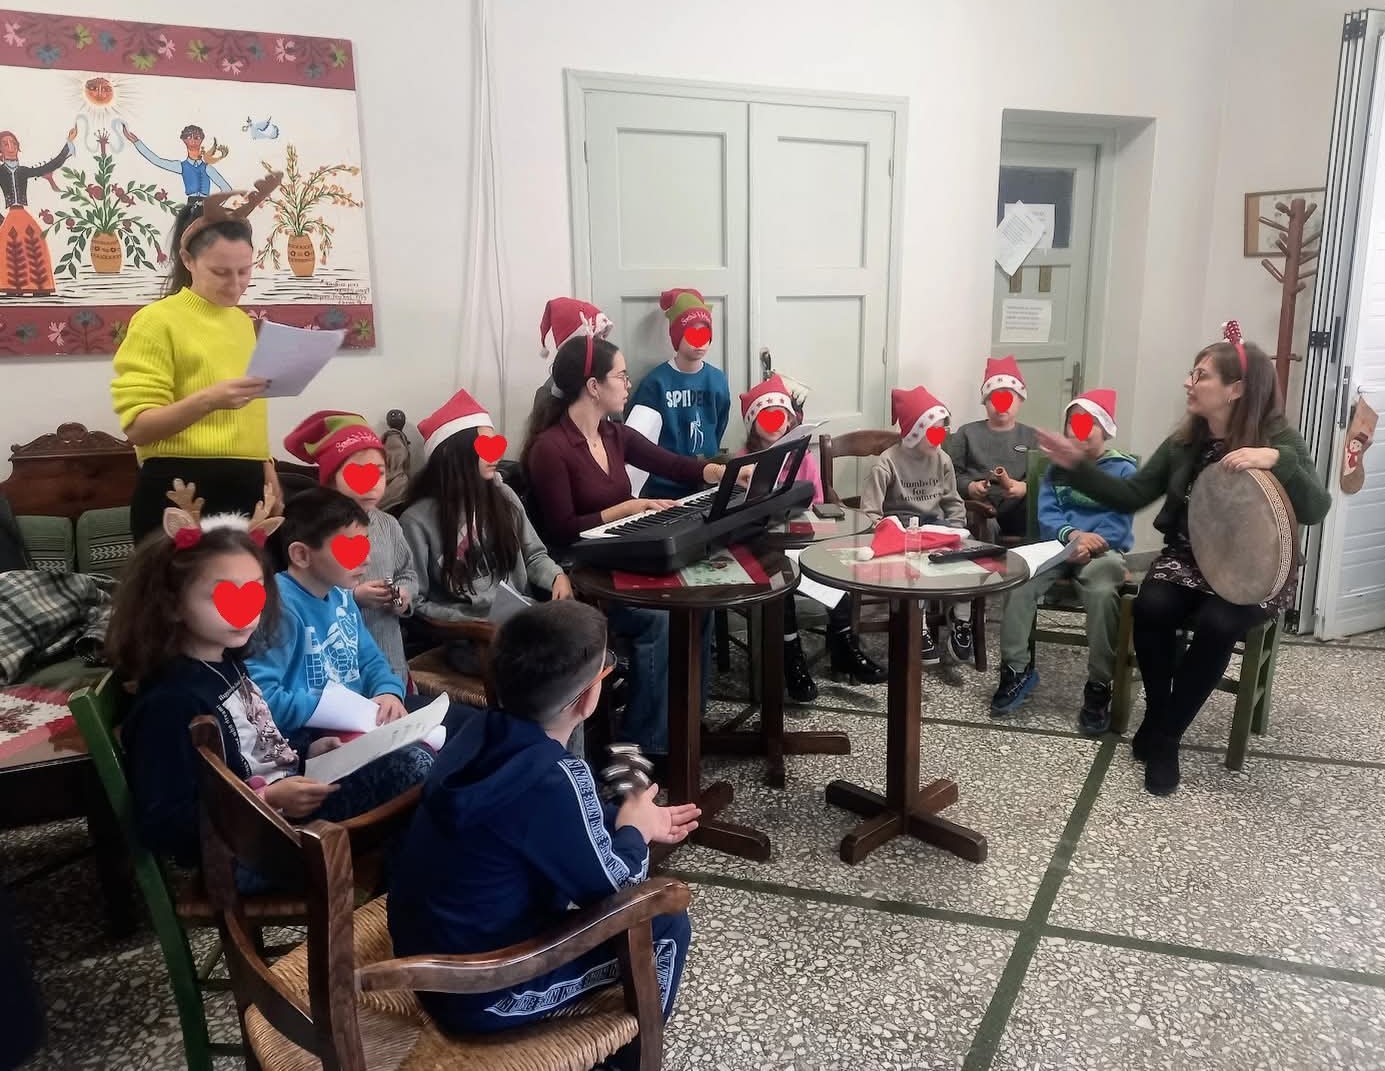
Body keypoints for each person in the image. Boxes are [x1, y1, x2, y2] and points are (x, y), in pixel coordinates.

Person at [388, 600, 695, 1055]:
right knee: (666, 922)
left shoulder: (475, 729)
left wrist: (622, 818)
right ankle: (627, 1062)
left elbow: (547, 820)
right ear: (588, 698)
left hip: (423, 951)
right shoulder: (553, 778)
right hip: (482, 988)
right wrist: (635, 831)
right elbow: (623, 889)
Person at [1038, 325, 1331, 795]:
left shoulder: (1278, 439)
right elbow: (1132, 494)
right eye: (1191, 373)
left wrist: (1278, 460)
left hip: (1257, 568)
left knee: (1218, 622)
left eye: (1201, 375)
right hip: (1189, 556)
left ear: (1236, 389)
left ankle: (1166, 737)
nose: (1188, 383)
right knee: (1152, 606)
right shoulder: (1184, 443)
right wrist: (1076, 464)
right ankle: (1161, 715)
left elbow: (1316, 509)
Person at [106, 483, 432, 878]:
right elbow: (164, 825)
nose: (245, 609)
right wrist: (269, 798)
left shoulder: (228, 663)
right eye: (224, 595)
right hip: (252, 852)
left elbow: (254, 746)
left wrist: (307, 751)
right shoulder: (171, 701)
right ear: (171, 603)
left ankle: (405, 884)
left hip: (284, 810)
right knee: (412, 771)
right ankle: (410, 892)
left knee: (417, 762)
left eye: (255, 592)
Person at [523, 335, 727, 761]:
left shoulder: (614, 434)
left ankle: (687, 720)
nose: (628, 384)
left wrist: (722, 474)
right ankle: (642, 746)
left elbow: (672, 463)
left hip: (620, 558)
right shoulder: (550, 448)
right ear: (593, 386)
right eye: (621, 375)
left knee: (701, 602)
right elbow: (561, 530)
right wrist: (625, 508)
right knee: (658, 619)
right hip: (582, 573)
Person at [111, 178, 283, 542]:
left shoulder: (244, 324)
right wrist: (209, 399)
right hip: (180, 485)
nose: (235, 284)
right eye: (220, 272)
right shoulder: (156, 321)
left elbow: (251, 414)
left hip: (248, 485)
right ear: (187, 260)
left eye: (244, 271)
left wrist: (267, 468)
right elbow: (138, 427)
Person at [244, 487, 476, 737]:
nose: (365, 560)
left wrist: (388, 691)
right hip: (317, 734)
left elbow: (371, 660)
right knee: (427, 754)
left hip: (366, 717)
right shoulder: (277, 606)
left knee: (477, 724)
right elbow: (262, 699)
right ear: (301, 555)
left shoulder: (341, 596)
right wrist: (340, 712)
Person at [992, 389, 1137, 732]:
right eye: (1073, 424)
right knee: (1019, 579)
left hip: (1102, 550)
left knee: (1102, 594)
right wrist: (1072, 536)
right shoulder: (1057, 469)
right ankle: (1016, 669)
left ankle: (1099, 684)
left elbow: (1118, 521)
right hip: (1059, 544)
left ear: (1105, 429)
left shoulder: (1123, 470)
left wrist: (1089, 543)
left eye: (1088, 424)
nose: (1077, 432)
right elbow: (1049, 513)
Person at [401, 388, 571, 674]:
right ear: (454, 454)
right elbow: (416, 601)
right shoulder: (416, 521)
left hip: (522, 622)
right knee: (557, 668)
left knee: (583, 644)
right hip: (471, 640)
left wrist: (556, 576)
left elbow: (534, 555)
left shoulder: (504, 497)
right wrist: (469, 622)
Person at [737, 375, 884, 698]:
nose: (776, 422)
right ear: (753, 422)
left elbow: (816, 505)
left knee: (836, 571)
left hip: (800, 541)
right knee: (782, 583)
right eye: (767, 416)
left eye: (781, 415)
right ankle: (791, 657)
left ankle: (844, 645)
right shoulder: (743, 463)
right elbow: (739, 517)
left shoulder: (802, 458)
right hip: (761, 550)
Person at [283, 410, 418, 682]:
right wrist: (353, 596)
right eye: (357, 473)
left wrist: (404, 596)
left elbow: (408, 572)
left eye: (379, 473)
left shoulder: (389, 524)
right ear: (331, 477)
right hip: (338, 670)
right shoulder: (315, 530)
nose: (371, 484)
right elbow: (303, 589)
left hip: (389, 658)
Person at [861, 385, 971, 667]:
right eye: (931, 430)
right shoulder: (886, 463)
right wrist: (884, 535)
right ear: (914, 431)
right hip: (900, 528)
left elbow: (953, 501)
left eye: (942, 430)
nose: (938, 437)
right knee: (914, 562)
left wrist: (958, 530)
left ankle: (961, 619)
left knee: (965, 558)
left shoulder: (943, 460)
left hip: (935, 526)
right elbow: (870, 512)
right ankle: (917, 626)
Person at [625, 288, 731, 499]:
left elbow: (720, 423)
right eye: (692, 335)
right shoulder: (656, 383)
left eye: (705, 334)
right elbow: (638, 438)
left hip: (707, 482)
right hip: (663, 488)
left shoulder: (718, 379)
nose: (699, 342)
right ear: (677, 337)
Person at [947, 355, 1040, 542]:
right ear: (985, 402)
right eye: (993, 399)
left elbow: (1043, 478)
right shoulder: (967, 433)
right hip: (979, 507)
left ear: (1020, 400)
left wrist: (1025, 487)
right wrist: (970, 487)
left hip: (1019, 507)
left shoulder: (1032, 437)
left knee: (1039, 511)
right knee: (980, 519)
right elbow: (951, 474)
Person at [0, 125, 75, 295]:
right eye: (5, 144)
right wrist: (1, 221)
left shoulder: (23, 171)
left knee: (35, 243)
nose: (11, 147)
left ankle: (38, 286)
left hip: (22, 214)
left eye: (13, 143)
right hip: (10, 216)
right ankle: (13, 288)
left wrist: (68, 143)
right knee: (9, 249)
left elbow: (48, 167)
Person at [533, 296, 613, 417]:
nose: (602, 346)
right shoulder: (549, 394)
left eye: (603, 337)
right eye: (596, 338)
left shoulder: (606, 385)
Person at [118, 121, 231, 201]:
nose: (193, 140)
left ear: (201, 139)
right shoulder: (181, 166)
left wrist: (214, 205)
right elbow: (157, 160)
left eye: (196, 137)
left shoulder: (207, 168)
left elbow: (227, 189)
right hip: (190, 208)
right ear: (184, 140)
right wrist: (136, 142)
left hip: (206, 209)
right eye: (189, 137)